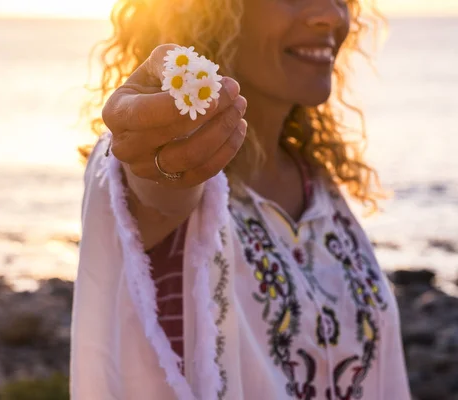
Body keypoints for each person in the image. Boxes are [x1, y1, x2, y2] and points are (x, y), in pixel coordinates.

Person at [71, 0, 412, 398]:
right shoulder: (178, 180)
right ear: (210, 11)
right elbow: (156, 187)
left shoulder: (319, 185)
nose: (332, 14)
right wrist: (156, 153)